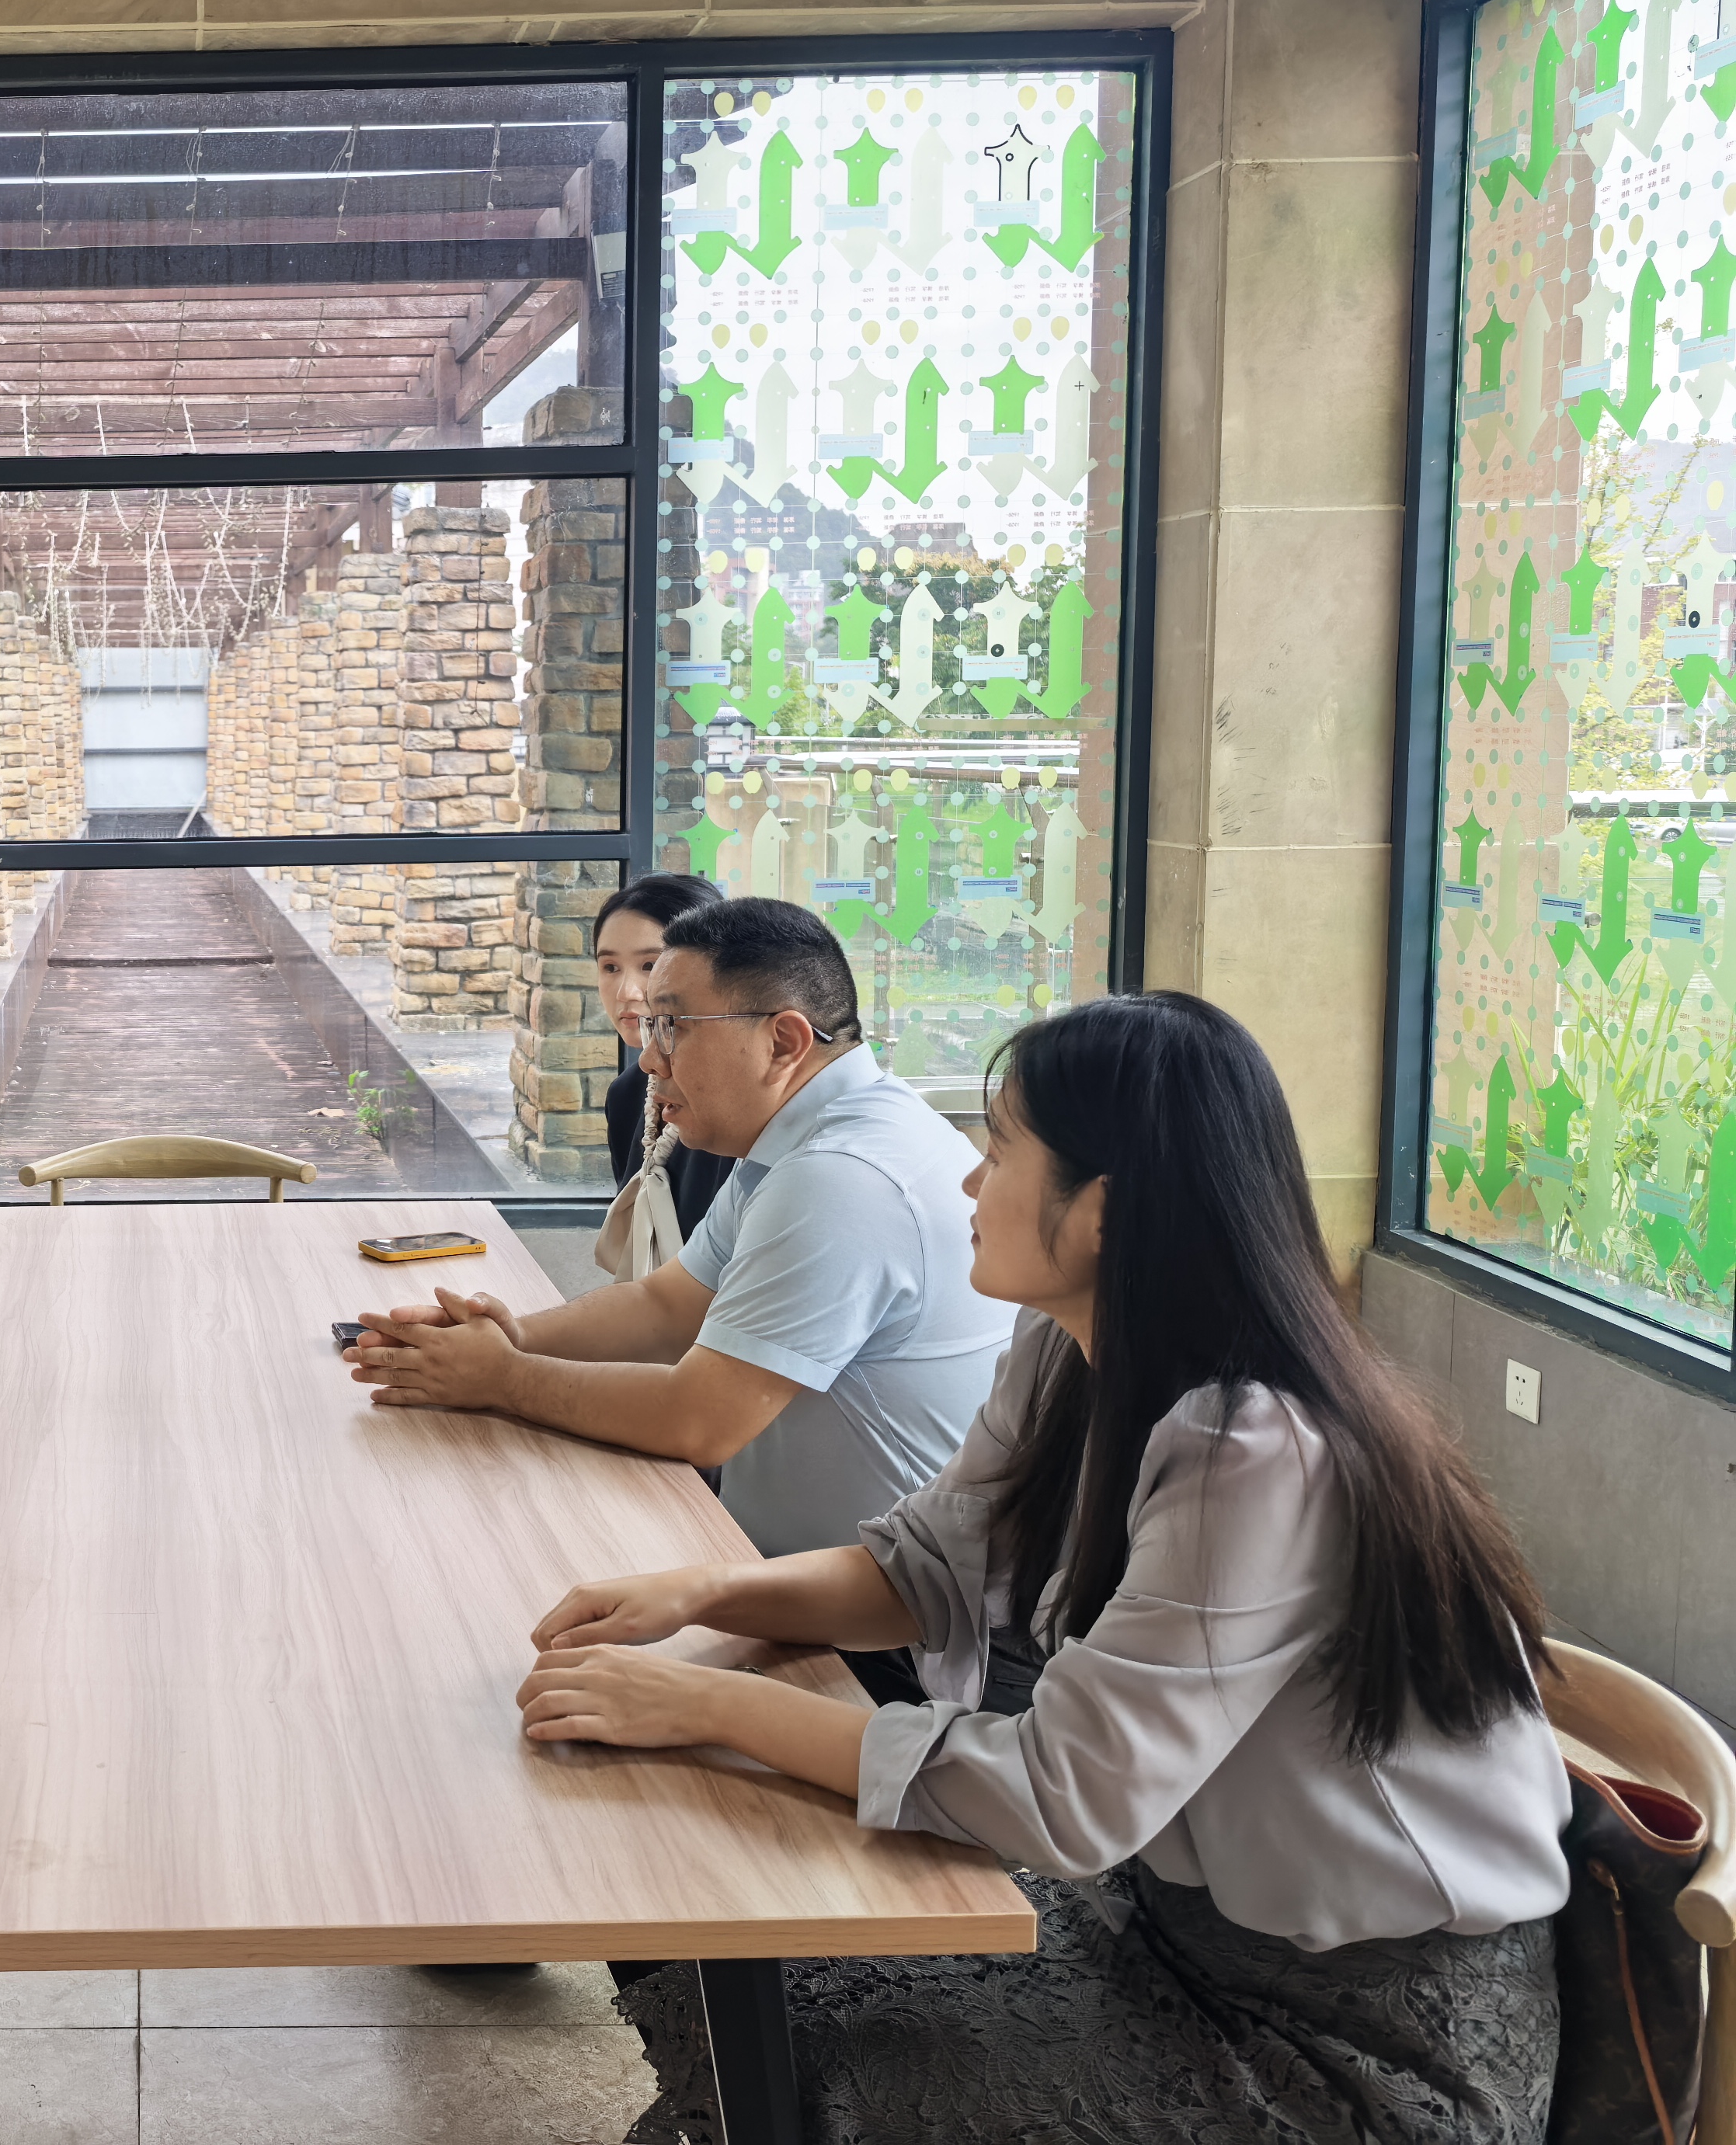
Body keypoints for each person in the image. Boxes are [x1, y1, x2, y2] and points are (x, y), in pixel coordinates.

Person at [519, 992, 1570, 2144]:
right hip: (1165, 1925)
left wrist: (709, 1704)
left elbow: (1065, 1795)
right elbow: (928, 1565)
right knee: (723, 1940)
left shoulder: (1257, 1448)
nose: (971, 1181)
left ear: (1103, 1210)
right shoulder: (1069, 1348)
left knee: (787, 2043)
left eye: (1002, 1148)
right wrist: (701, 1595)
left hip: (1350, 2043)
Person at [348, 897, 1006, 1623]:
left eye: (672, 1026)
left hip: (899, 1637)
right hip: (788, 1577)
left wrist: (502, 1377)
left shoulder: (843, 1176)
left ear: (784, 1041)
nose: (648, 1057)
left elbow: (700, 1419)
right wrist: (513, 1338)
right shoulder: (804, 1134)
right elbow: (666, 1306)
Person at [589, 871, 735, 1281]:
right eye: (610, 967)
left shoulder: (744, 1098)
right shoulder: (627, 1094)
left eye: (650, 965)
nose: (626, 992)